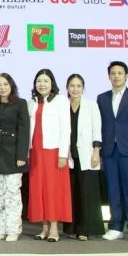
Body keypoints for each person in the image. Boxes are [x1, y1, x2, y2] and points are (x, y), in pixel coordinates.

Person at [97, 61, 128, 242]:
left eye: (120, 73)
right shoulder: (102, 98)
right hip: (109, 152)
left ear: (126, 76)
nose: (116, 76)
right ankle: (115, 227)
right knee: (113, 191)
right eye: (113, 73)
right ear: (109, 76)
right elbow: (100, 126)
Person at [28, 68, 72, 242]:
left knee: (52, 190)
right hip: (35, 151)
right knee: (39, 190)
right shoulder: (32, 102)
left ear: (52, 83)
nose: (42, 84)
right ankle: (44, 227)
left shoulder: (60, 100)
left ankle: (54, 227)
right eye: (39, 81)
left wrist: (63, 154)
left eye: (46, 81)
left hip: (53, 152)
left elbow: (66, 129)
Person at [0, 73, 29, 241]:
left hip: (13, 153)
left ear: (11, 85)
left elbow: (25, 130)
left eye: (5, 84)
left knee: (12, 195)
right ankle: (2, 229)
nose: (2, 88)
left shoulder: (20, 103)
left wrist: (22, 155)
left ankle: (13, 230)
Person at [64, 73, 103, 241]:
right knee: (72, 193)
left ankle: (84, 230)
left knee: (87, 193)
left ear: (83, 88)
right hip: (69, 155)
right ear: (67, 88)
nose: (75, 89)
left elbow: (97, 129)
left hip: (87, 155)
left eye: (78, 86)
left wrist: (96, 151)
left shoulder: (91, 105)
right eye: (72, 86)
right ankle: (72, 228)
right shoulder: (63, 105)